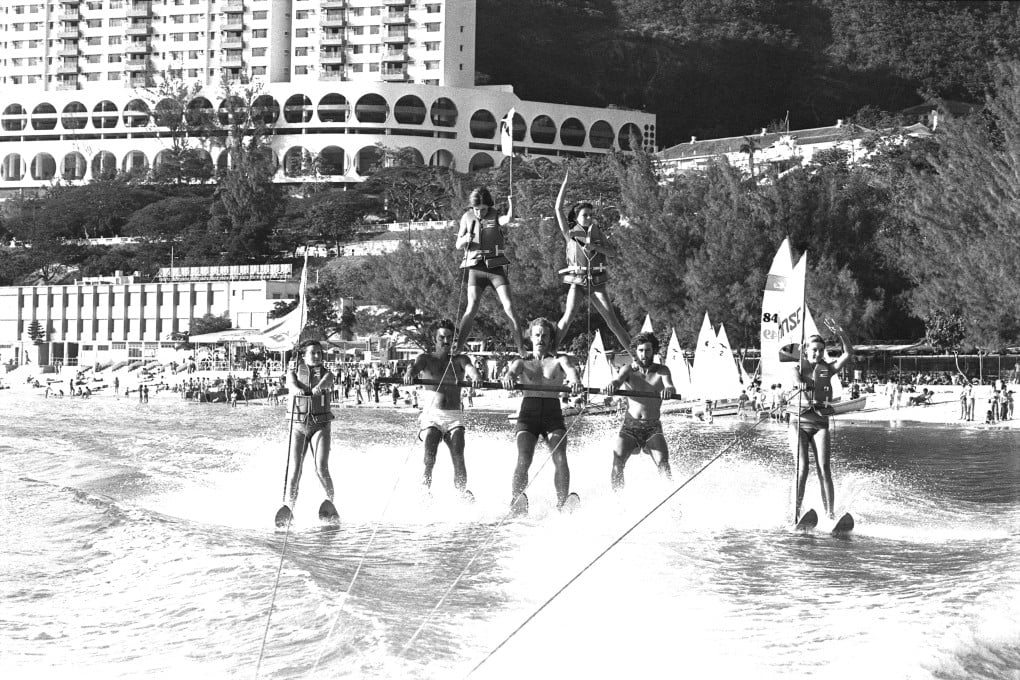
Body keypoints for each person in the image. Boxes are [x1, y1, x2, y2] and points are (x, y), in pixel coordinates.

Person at [502, 317, 582, 513]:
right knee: (524, 458)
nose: (540, 338)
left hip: (552, 416)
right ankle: (516, 499)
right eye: (537, 335)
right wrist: (507, 378)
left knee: (560, 457)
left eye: (545, 335)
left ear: (550, 338)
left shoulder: (559, 360)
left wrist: (575, 381)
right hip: (528, 416)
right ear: (530, 336)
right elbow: (511, 373)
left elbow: (572, 372)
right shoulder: (521, 362)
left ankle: (562, 502)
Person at [552, 170, 631, 353]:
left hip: (596, 283)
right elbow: (557, 209)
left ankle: (634, 355)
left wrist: (596, 248)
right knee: (568, 317)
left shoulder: (598, 233)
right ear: (576, 217)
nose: (589, 217)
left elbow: (612, 253)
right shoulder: (570, 235)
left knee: (612, 321)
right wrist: (565, 183)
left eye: (590, 215)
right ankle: (551, 351)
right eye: (585, 215)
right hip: (578, 282)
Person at [404, 319, 482, 497]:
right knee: (430, 450)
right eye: (442, 338)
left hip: (454, 416)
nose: (446, 342)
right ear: (435, 339)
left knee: (458, 452)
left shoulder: (461, 359)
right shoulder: (425, 359)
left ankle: (460, 492)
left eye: (450, 338)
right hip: (432, 415)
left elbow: (470, 369)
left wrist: (476, 376)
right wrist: (409, 374)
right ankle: (425, 489)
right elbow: (415, 369)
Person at [787, 319, 853, 523]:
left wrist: (841, 333)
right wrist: (800, 386)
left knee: (825, 469)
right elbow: (796, 381)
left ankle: (830, 516)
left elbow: (848, 353)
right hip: (798, 422)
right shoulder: (796, 368)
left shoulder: (828, 368)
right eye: (814, 350)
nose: (818, 354)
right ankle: (794, 515)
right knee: (803, 468)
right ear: (805, 351)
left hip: (820, 423)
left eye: (821, 351)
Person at [454, 186, 524, 355]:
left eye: (483, 209)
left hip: (495, 268)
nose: (480, 213)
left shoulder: (495, 215)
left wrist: (512, 205)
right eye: (477, 210)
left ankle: (521, 347)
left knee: (509, 306)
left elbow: (508, 219)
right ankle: (458, 347)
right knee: (472, 307)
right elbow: (457, 245)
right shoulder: (466, 217)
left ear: (489, 207)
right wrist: (466, 239)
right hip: (475, 268)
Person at [603, 332, 675, 491]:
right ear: (635, 351)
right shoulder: (627, 370)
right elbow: (617, 381)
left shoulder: (662, 371)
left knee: (663, 464)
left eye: (648, 350)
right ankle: (617, 502)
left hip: (653, 428)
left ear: (653, 351)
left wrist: (668, 390)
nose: (644, 354)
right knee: (617, 461)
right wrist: (612, 386)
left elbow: (670, 386)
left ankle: (672, 501)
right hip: (630, 427)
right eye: (641, 350)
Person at [282, 339, 337, 514]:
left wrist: (318, 388)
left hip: (320, 425)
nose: (316, 356)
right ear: (304, 356)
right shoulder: (293, 373)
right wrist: (296, 389)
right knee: (295, 469)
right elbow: (290, 383)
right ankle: (289, 506)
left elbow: (326, 383)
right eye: (312, 353)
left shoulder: (327, 374)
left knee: (321, 467)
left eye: (319, 353)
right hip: (298, 426)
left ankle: (330, 503)